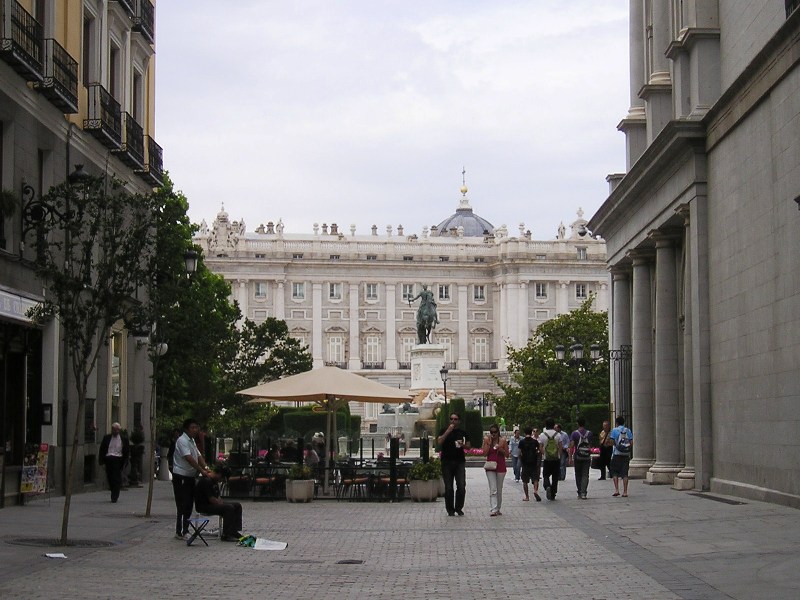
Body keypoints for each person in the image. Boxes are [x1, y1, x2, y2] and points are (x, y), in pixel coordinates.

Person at [172, 418, 212, 540]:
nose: (195, 430)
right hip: (181, 476)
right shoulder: (182, 441)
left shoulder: (192, 441)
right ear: (186, 429)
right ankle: (181, 531)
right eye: (193, 427)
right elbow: (189, 458)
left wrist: (206, 467)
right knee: (182, 503)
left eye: (196, 427)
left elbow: (198, 455)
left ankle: (185, 529)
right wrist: (201, 471)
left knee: (189, 503)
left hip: (190, 476)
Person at [194, 465, 243, 542]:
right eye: (222, 478)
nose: (222, 480)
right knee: (228, 508)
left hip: (212, 504)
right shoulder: (206, 481)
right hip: (204, 506)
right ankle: (226, 534)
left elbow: (218, 497)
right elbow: (211, 499)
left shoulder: (214, 481)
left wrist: (222, 503)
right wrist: (223, 505)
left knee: (237, 505)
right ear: (219, 474)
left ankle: (234, 531)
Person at [437, 413, 468, 516]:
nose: (453, 421)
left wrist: (462, 445)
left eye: (455, 419)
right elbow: (440, 441)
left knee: (461, 485)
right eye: (451, 419)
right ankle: (450, 509)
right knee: (449, 487)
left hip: (459, 461)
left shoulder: (462, 432)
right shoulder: (443, 430)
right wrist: (448, 431)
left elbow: (469, 446)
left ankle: (459, 507)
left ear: (459, 421)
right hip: (447, 462)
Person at [98, 422, 129, 503]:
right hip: (108, 459)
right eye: (114, 430)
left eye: (117, 430)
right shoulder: (107, 438)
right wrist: (101, 462)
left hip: (118, 459)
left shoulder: (124, 439)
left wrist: (125, 461)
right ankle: (112, 490)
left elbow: (126, 451)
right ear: (112, 430)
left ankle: (115, 495)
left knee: (116, 478)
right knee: (110, 477)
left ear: (119, 430)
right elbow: (102, 450)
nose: (115, 432)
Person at [482, 424, 509, 516]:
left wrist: (500, 449)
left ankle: (498, 508)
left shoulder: (503, 441)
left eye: (495, 432)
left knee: (499, 488)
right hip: (490, 466)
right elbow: (484, 453)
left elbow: (507, 455)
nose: (493, 434)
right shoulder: (487, 440)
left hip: (500, 466)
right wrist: (489, 444)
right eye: (491, 432)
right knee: (493, 488)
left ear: (498, 432)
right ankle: (493, 509)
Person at [609, 416, 634, 497]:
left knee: (615, 472)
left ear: (616, 423)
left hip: (616, 454)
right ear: (624, 422)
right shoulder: (628, 430)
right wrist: (627, 448)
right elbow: (631, 442)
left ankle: (616, 490)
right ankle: (625, 491)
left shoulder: (614, 430)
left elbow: (612, 441)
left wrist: (617, 446)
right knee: (625, 473)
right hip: (626, 454)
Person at [539, 418, 562, 500]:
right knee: (555, 477)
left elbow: (540, 447)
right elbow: (560, 447)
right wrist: (559, 456)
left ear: (546, 425)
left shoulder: (542, 435)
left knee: (545, 475)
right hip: (556, 459)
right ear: (553, 425)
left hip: (547, 459)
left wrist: (544, 454)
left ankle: (547, 485)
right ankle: (553, 493)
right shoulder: (558, 435)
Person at [569, 417, 593, 499]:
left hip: (578, 456)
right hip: (586, 456)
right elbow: (590, 445)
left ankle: (579, 491)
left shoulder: (574, 434)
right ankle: (584, 492)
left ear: (578, 424)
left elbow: (572, 446)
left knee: (578, 474)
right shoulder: (589, 433)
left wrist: (570, 457)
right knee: (585, 475)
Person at [518, 426, 541, 501]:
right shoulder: (534, 441)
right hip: (533, 462)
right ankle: (535, 490)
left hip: (525, 463)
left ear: (524, 433)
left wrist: (521, 459)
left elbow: (519, 452)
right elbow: (539, 450)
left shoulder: (522, 441)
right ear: (531, 432)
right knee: (535, 478)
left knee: (525, 481)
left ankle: (527, 496)